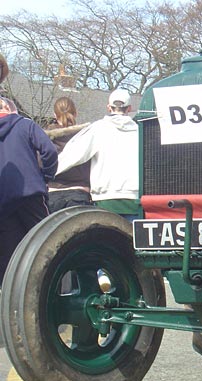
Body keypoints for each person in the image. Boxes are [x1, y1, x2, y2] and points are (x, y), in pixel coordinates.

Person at [56, 88, 139, 220]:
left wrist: (46, 172)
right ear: (129, 108)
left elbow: (72, 155)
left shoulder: (98, 129)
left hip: (105, 202)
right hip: (135, 201)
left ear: (108, 107)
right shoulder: (139, 132)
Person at [0, 96, 58, 283]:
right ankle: (51, 286)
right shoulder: (25, 124)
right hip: (30, 192)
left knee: (10, 252)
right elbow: (48, 151)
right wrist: (46, 176)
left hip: (3, 199)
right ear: (11, 109)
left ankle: (10, 297)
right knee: (47, 241)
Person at [46, 97, 92, 212]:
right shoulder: (86, 137)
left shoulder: (45, 139)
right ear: (75, 113)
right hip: (79, 194)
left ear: (55, 115)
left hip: (52, 195)